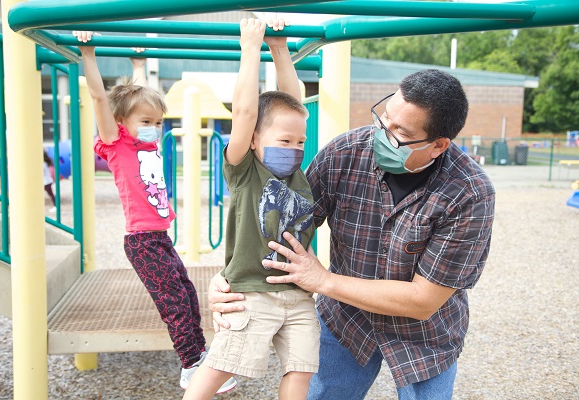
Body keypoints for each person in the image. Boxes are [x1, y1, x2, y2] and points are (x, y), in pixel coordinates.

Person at [210, 69, 496, 399]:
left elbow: (423, 301)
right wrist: (232, 278)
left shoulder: (469, 193)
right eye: (383, 119)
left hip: (425, 336)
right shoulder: (346, 154)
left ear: (438, 145)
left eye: (399, 133)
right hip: (347, 321)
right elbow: (279, 223)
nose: (383, 134)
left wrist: (322, 280)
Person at [73, 31, 236, 394]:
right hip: (141, 242)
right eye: (146, 122)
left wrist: (139, 66)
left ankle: (200, 355)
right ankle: (191, 365)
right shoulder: (116, 145)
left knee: (188, 293)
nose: (154, 127)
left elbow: (140, 102)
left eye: (158, 121)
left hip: (158, 238)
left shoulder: (145, 140)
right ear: (120, 124)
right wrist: (88, 53)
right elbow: (101, 98)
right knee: (173, 303)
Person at [183, 18, 318, 400]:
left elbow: (294, 104)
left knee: (301, 370)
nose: (293, 148)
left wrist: (280, 49)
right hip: (251, 293)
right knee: (220, 367)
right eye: (284, 140)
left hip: (299, 294)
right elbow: (244, 114)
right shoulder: (244, 170)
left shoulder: (296, 174)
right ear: (255, 140)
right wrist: (251, 48)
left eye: (299, 142)